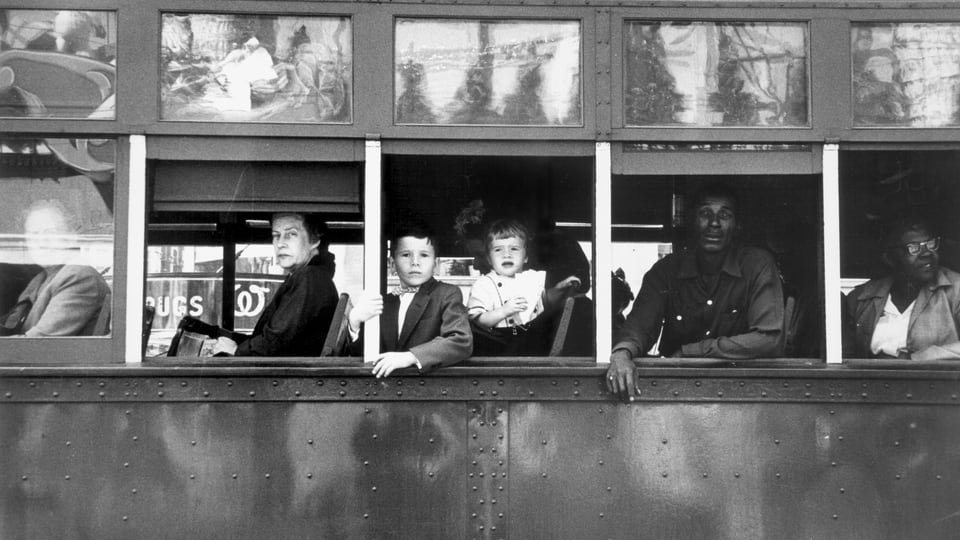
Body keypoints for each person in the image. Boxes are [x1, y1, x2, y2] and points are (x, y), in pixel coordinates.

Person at [607, 183, 784, 400]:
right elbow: (639, 327)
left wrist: (690, 352)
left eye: (725, 215)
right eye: (705, 213)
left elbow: (768, 339)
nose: (714, 223)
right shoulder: (666, 271)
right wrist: (622, 354)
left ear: (737, 225)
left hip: (742, 393)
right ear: (692, 222)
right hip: (675, 393)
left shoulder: (757, 266)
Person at [346, 222, 472, 377]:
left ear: (435, 264)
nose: (415, 262)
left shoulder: (447, 293)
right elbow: (363, 356)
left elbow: (460, 341)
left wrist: (410, 357)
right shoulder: (384, 302)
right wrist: (355, 323)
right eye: (406, 255)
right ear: (392, 264)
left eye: (424, 255)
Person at [211, 212, 338, 356]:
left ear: (315, 240)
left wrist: (236, 350)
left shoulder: (310, 277)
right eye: (276, 235)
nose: (280, 244)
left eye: (291, 234)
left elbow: (276, 340)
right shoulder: (313, 276)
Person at [844, 216, 960, 360]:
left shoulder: (955, 290)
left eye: (931, 244)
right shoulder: (862, 297)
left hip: (931, 381)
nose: (926, 253)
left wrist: (924, 356)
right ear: (890, 257)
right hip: (874, 381)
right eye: (913, 247)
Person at [466, 219, 580, 355]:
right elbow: (479, 320)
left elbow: (544, 302)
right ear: (489, 259)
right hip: (497, 341)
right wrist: (504, 311)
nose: (506, 254)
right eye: (498, 250)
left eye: (514, 249)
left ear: (525, 257)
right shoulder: (484, 284)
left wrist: (559, 289)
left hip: (529, 338)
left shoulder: (531, 279)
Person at [1, 199, 109, 337]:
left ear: (72, 237)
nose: (41, 242)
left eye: (51, 232)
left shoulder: (78, 276)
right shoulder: (40, 280)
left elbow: (39, 342)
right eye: (34, 235)